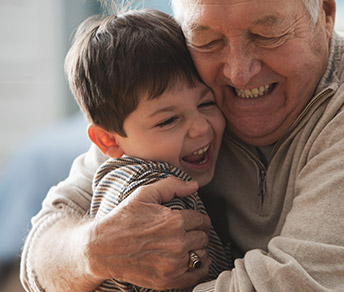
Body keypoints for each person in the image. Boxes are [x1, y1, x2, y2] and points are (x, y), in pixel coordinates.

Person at [20, 0, 344, 291]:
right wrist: (93, 250)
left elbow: (299, 286)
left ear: (325, 13)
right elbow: (42, 251)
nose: (238, 72)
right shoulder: (179, 95)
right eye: (208, 40)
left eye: (267, 34)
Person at [59, 8, 231, 291]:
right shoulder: (158, 199)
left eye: (206, 103)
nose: (200, 128)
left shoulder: (117, 176)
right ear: (109, 142)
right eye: (168, 120)